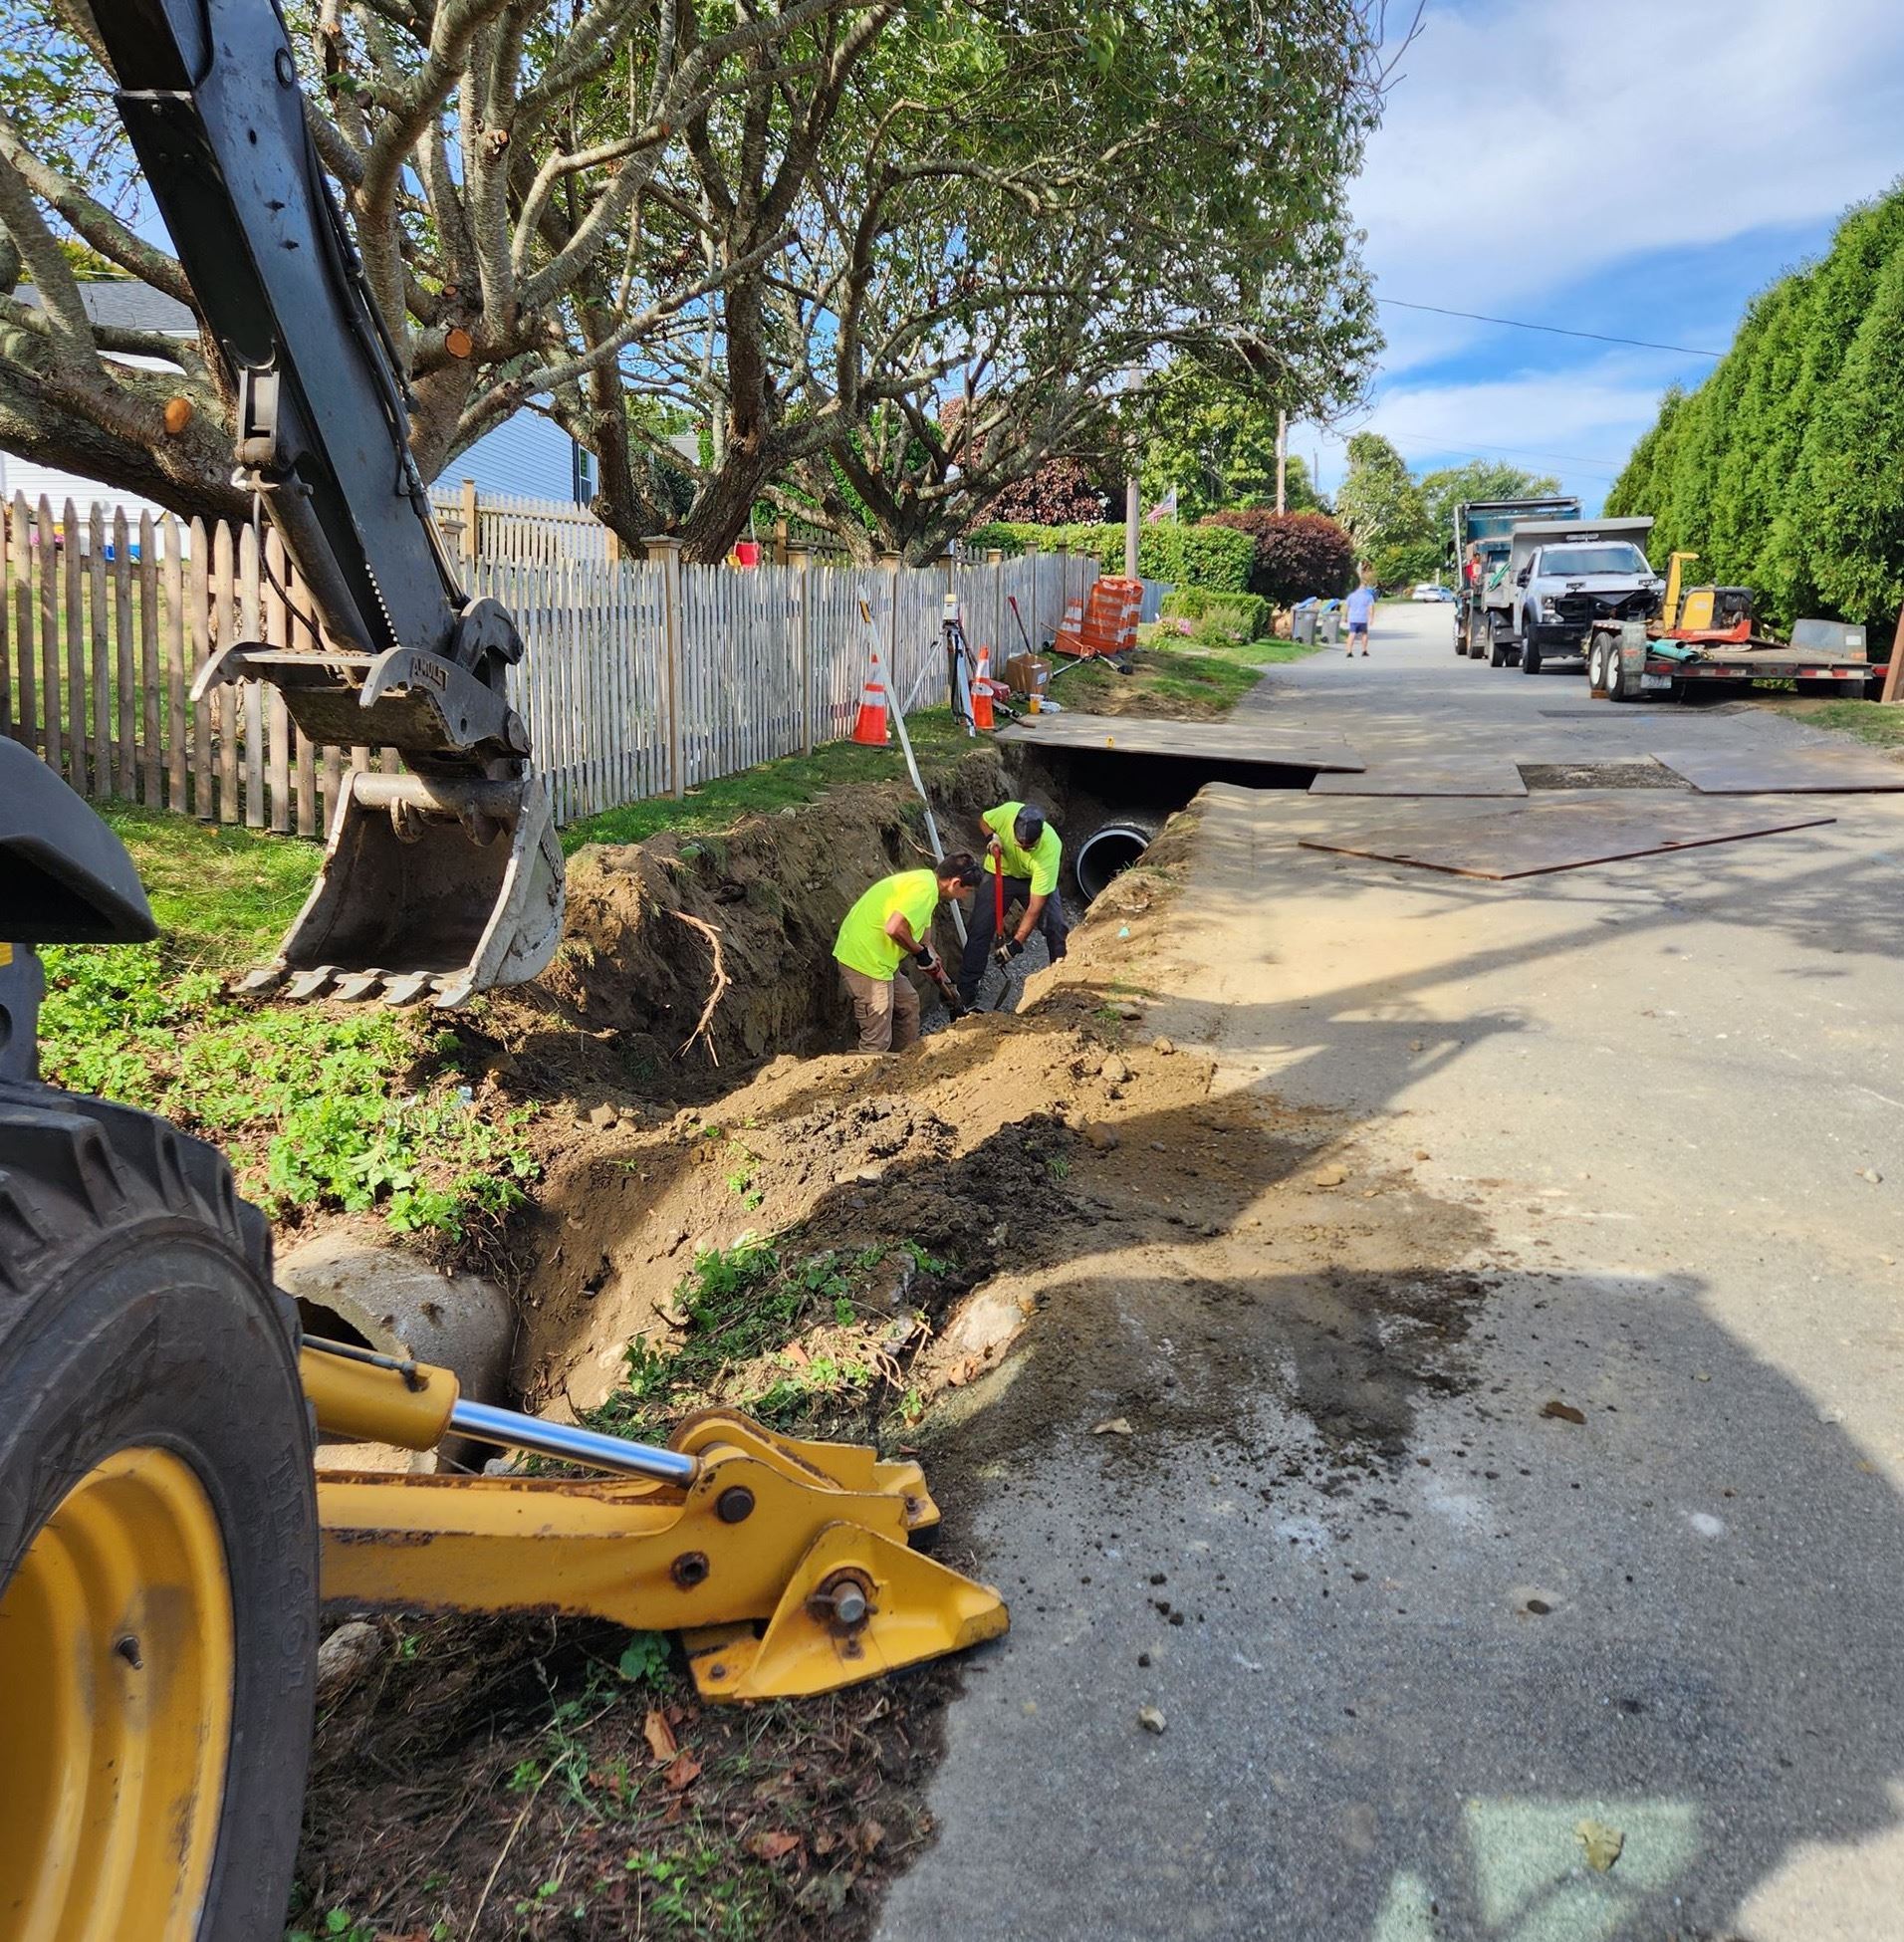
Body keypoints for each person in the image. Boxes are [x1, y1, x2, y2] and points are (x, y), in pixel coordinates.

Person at [833, 852, 981, 1054]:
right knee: (877, 1036)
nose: (965, 897)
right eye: (968, 891)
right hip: (866, 961)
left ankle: (903, 1063)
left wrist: (937, 968)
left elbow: (924, 939)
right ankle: (867, 1075)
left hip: (881, 960)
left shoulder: (927, 884)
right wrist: (920, 953)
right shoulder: (924, 891)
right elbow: (894, 928)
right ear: (955, 883)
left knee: (909, 1005)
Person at [958, 801, 1068, 1007]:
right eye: (1020, 844)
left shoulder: (1050, 849)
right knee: (980, 928)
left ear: (1040, 837)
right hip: (1001, 874)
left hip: (1032, 880)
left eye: (1029, 847)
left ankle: (1060, 980)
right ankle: (966, 992)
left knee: (1055, 925)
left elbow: (1035, 908)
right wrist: (992, 837)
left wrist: (1016, 944)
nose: (1024, 848)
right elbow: (984, 819)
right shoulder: (1006, 813)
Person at [1344, 577, 1376, 657]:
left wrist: (1345, 617)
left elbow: (1347, 607)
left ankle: (1349, 651)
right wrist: (1371, 618)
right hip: (1363, 618)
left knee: (1352, 634)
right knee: (1364, 634)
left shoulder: (1351, 595)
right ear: (1365, 587)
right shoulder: (1368, 596)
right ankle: (1364, 650)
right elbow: (1371, 608)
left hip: (1353, 618)